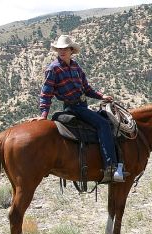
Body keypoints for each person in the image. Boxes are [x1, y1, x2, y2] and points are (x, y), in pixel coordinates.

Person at [35, 34, 124, 183]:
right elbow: (46, 93)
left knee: (109, 119)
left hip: (83, 105)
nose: (61, 51)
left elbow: (87, 89)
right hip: (73, 107)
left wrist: (101, 96)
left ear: (71, 50)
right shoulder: (53, 69)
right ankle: (111, 167)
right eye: (59, 49)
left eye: (64, 49)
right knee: (102, 125)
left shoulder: (76, 67)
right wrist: (44, 114)